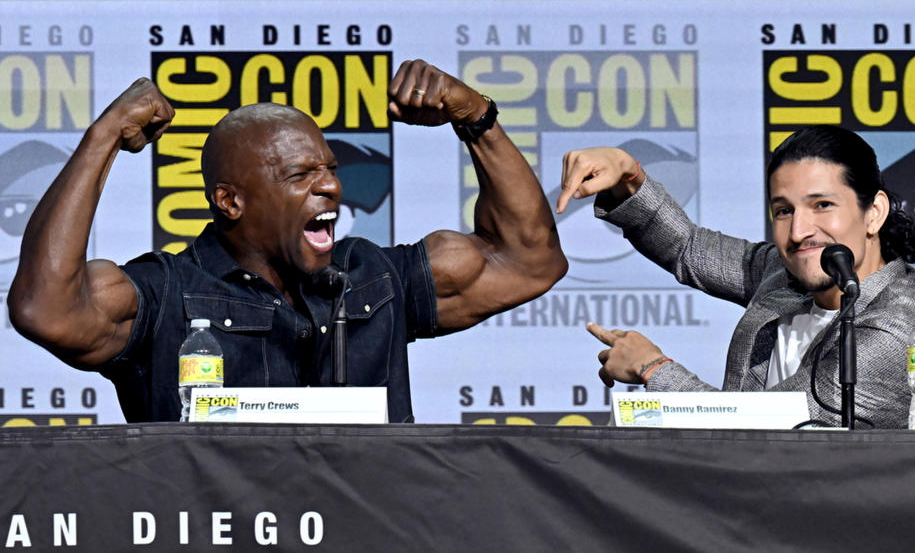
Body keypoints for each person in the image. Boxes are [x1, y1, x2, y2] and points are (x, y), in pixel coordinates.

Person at [8, 59, 567, 423]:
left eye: (328, 168)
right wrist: (102, 137)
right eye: (300, 175)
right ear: (231, 201)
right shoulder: (163, 296)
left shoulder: (373, 276)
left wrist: (477, 119)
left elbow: (527, 261)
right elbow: (45, 309)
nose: (330, 185)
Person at [556, 126, 915, 428]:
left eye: (822, 205)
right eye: (784, 210)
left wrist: (653, 369)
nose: (799, 231)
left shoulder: (898, 322)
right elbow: (687, 247)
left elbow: (767, 425)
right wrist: (630, 175)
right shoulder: (786, 274)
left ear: (874, 212)